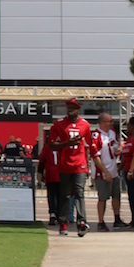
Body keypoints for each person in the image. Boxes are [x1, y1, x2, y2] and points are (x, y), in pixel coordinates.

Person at [48, 98, 91, 237]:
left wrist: (87, 165)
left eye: (73, 108)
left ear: (78, 110)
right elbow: (51, 145)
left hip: (80, 164)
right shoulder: (59, 124)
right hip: (65, 165)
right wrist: (66, 143)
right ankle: (63, 222)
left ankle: (82, 222)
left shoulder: (85, 125)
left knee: (79, 193)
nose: (70, 111)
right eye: (69, 108)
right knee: (65, 194)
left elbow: (88, 146)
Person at [88, 112, 124, 231]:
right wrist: (105, 172)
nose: (112, 123)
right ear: (102, 122)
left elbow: (114, 147)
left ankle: (117, 218)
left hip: (113, 170)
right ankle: (101, 221)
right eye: (109, 121)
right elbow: (95, 156)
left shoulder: (112, 132)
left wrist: (118, 150)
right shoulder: (96, 136)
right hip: (102, 172)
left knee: (116, 195)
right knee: (103, 197)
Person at [37, 131, 61, 227]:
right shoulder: (63, 146)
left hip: (51, 174)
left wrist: (40, 174)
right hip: (62, 174)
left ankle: (53, 213)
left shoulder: (47, 147)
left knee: (52, 195)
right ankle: (60, 214)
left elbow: (42, 161)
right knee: (61, 196)